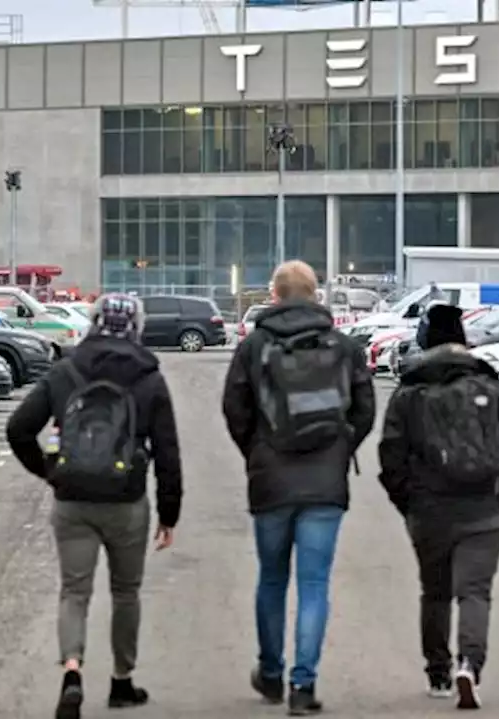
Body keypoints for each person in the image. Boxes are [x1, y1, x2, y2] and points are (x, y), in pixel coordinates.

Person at [5, 293, 183, 719]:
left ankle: (71, 671)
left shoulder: (65, 370)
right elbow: (168, 451)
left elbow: (18, 429)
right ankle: (122, 681)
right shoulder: (149, 377)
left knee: (74, 591)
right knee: (126, 592)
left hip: (73, 500)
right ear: (136, 326)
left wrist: (50, 472)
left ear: (93, 322)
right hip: (127, 501)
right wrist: (169, 513)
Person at [221, 260, 376, 716]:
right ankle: (302, 686)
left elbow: (235, 408)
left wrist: (255, 450)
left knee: (271, 578)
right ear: (316, 294)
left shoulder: (254, 347)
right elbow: (364, 409)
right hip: (326, 482)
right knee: (314, 584)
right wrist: (341, 445)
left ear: (274, 295)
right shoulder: (343, 347)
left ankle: (270, 672)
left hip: (270, 478)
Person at [378, 303, 499, 711]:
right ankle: (470, 665)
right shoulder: (488, 384)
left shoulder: (410, 390)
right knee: (475, 592)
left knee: (436, 591)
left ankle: (439, 672)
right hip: (485, 508)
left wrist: (407, 503)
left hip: (429, 510)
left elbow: (391, 453)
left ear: (424, 341)